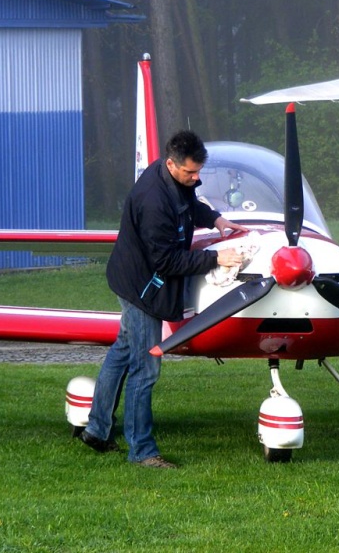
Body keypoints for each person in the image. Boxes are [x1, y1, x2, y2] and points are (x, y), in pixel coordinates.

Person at [79, 130, 247, 469]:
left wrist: (216, 220)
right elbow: (167, 262)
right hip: (142, 288)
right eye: (190, 172)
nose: (196, 178)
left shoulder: (173, 178)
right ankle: (142, 451)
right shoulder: (153, 200)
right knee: (145, 369)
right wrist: (217, 258)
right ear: (171, 164)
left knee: (122, 352)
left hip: (132, 277)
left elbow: (189, 205)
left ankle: (96, 430)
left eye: (199, 171)